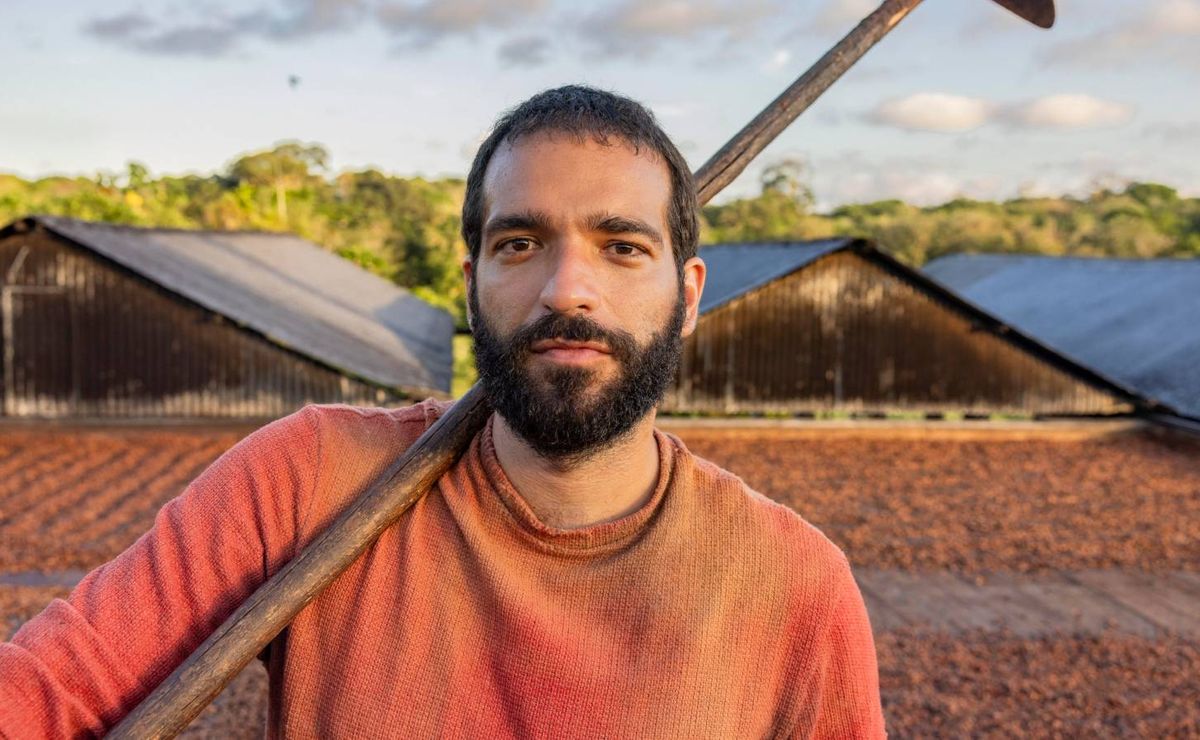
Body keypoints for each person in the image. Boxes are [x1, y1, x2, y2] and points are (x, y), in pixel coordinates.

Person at [1, 85, 885, 738]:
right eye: (521, 244)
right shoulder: (314, 481)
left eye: (622, 246)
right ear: (471, 284)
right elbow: (48, 687)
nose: (567, 288)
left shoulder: (794, 586)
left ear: (687, 294)